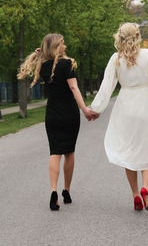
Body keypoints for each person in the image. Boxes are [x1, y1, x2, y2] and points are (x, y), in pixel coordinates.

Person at [91, 23, 148, 212]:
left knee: (129, 152)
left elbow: (107, 86)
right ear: (138, 36)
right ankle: (146, 189)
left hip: (125, 105)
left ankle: (135, 194)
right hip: (145, 105)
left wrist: (97, 109)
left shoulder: (116, 59)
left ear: (120, 37)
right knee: (146, 150)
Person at [17, 33, 98, 210]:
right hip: (69, 113)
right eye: (62, 44)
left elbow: (41, 59)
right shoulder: (67, 64)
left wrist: (40, 54)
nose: (65, 46)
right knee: (69, 152)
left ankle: (53, 190)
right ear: (55, 46)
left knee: (55, 153)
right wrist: (85, 109)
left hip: (52, 114)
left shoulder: (44, 65)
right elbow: (74, 87)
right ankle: (66, 190)